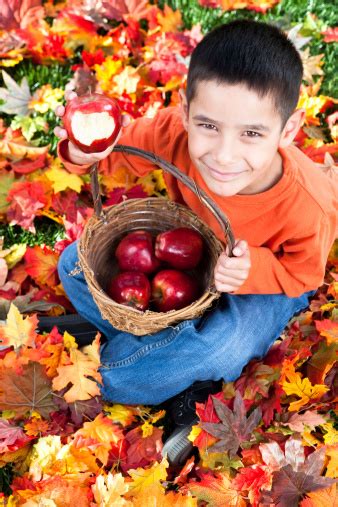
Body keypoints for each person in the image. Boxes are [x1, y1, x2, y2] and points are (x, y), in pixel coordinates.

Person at [54, 19, 337, 465]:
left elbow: (304, 273)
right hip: (187, 260)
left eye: (251, 133)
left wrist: (255, 269)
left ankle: (147, 360)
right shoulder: (172, 132)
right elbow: (114, 156)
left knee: (219, 344)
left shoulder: (307, 203)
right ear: (185, 111)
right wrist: (80, 150)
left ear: (288, 130)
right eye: (208, 125)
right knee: (72, 265)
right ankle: (168, 351)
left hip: (263, 287)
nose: (224, 155)